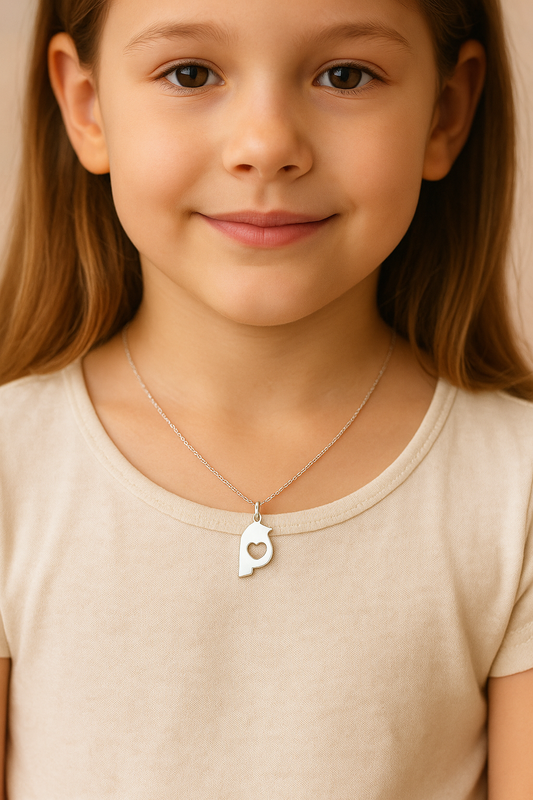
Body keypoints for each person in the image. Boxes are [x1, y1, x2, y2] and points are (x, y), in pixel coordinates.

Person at [0, 0, 532, 795]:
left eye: (345, 75)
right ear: (85, 105)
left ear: (445, 113)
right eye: (190, 73)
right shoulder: (14, 467)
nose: (265, 146)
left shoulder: (514, 488)